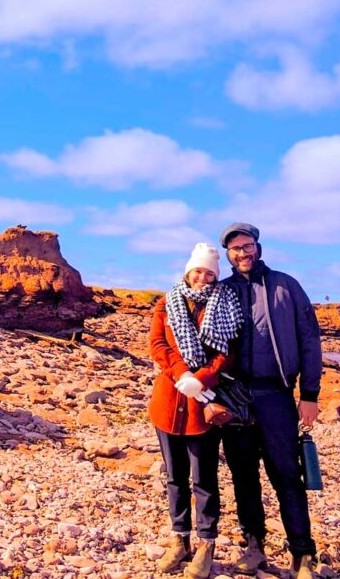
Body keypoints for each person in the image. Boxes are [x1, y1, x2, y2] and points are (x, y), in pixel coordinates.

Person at [218, 222, 322, 579]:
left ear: (258, 248)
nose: (243, 253)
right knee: (243, 475)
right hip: (234, 396)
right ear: (228, 255)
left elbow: (310, 340)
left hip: (276, 394)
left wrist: (309, 395)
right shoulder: (222, 291)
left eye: (247, 246)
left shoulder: (286, 286)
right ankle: (254, 545)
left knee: (286, 474)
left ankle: (303, 554)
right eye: (235, 249)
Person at [149, 242, 244, 578]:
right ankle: (180, 540)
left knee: (203, 478)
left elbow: (226, 354)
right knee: (175, 477)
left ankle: (206, 544)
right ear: (188, 272)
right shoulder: (166, 303)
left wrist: (201, 379)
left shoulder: (225, 306)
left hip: (202, 407)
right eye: (198, 271)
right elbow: (158, 344)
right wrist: (181, 374)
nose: (202, 277)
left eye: (209, 273)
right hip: (168, 400)